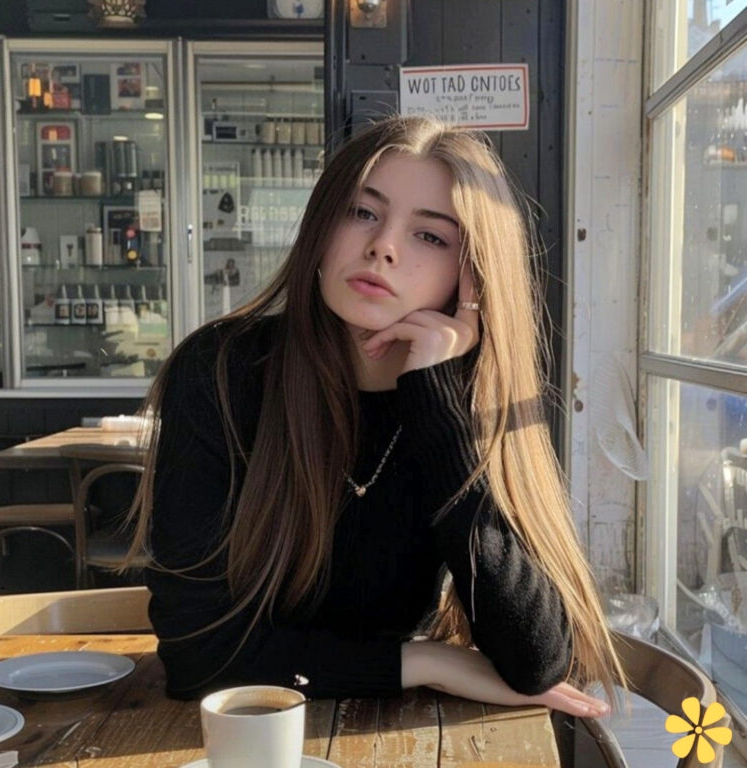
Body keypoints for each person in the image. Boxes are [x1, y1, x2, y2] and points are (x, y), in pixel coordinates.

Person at [125, 115, 627, 717]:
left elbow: (536, 659)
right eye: (363, 212)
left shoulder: (463, 400)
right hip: (232, 736)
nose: (383, 246)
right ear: (321, 228)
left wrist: (433, 396)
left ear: (471, 280)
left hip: (394, 738)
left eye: (431, 237)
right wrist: (420, 662)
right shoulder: (221, 372)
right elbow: (197, 658)